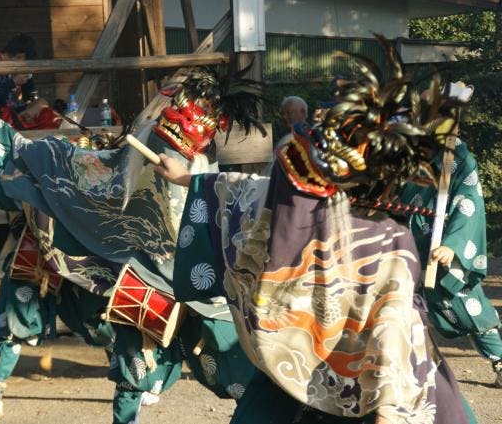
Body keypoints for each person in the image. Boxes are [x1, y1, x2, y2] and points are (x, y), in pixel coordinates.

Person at [154, 36, 477, 424]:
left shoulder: (384, 242)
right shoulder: (288, 203)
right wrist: (189, 178)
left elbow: (395, 339)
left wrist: (389, 412)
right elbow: (245, 190)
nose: (281, 194)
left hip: (365, 386)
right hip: (294, 364)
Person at [0, 67, 263, 423]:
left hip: (172, 257)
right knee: (28, 292)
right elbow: (79, 163)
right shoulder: (160, 142)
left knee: (192, 328)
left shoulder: (205, 166)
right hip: (122, 243)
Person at [400, 138, 502, 388]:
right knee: (404, 310)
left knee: (471, 311)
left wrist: (453, 246)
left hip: (446, 256)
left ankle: (500, 360)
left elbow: (469, 204)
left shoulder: (459, 160)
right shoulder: (414, 160)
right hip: (414, 251)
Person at [0, 34, 59, 131]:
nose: (26, 66)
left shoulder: (18, 69)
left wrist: (28, 91)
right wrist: (12, 82)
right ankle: (10, 127)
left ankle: (18, 123)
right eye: (25, 63)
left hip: (13, 111)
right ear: (19, 56)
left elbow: (29, 97)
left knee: (42, 102)